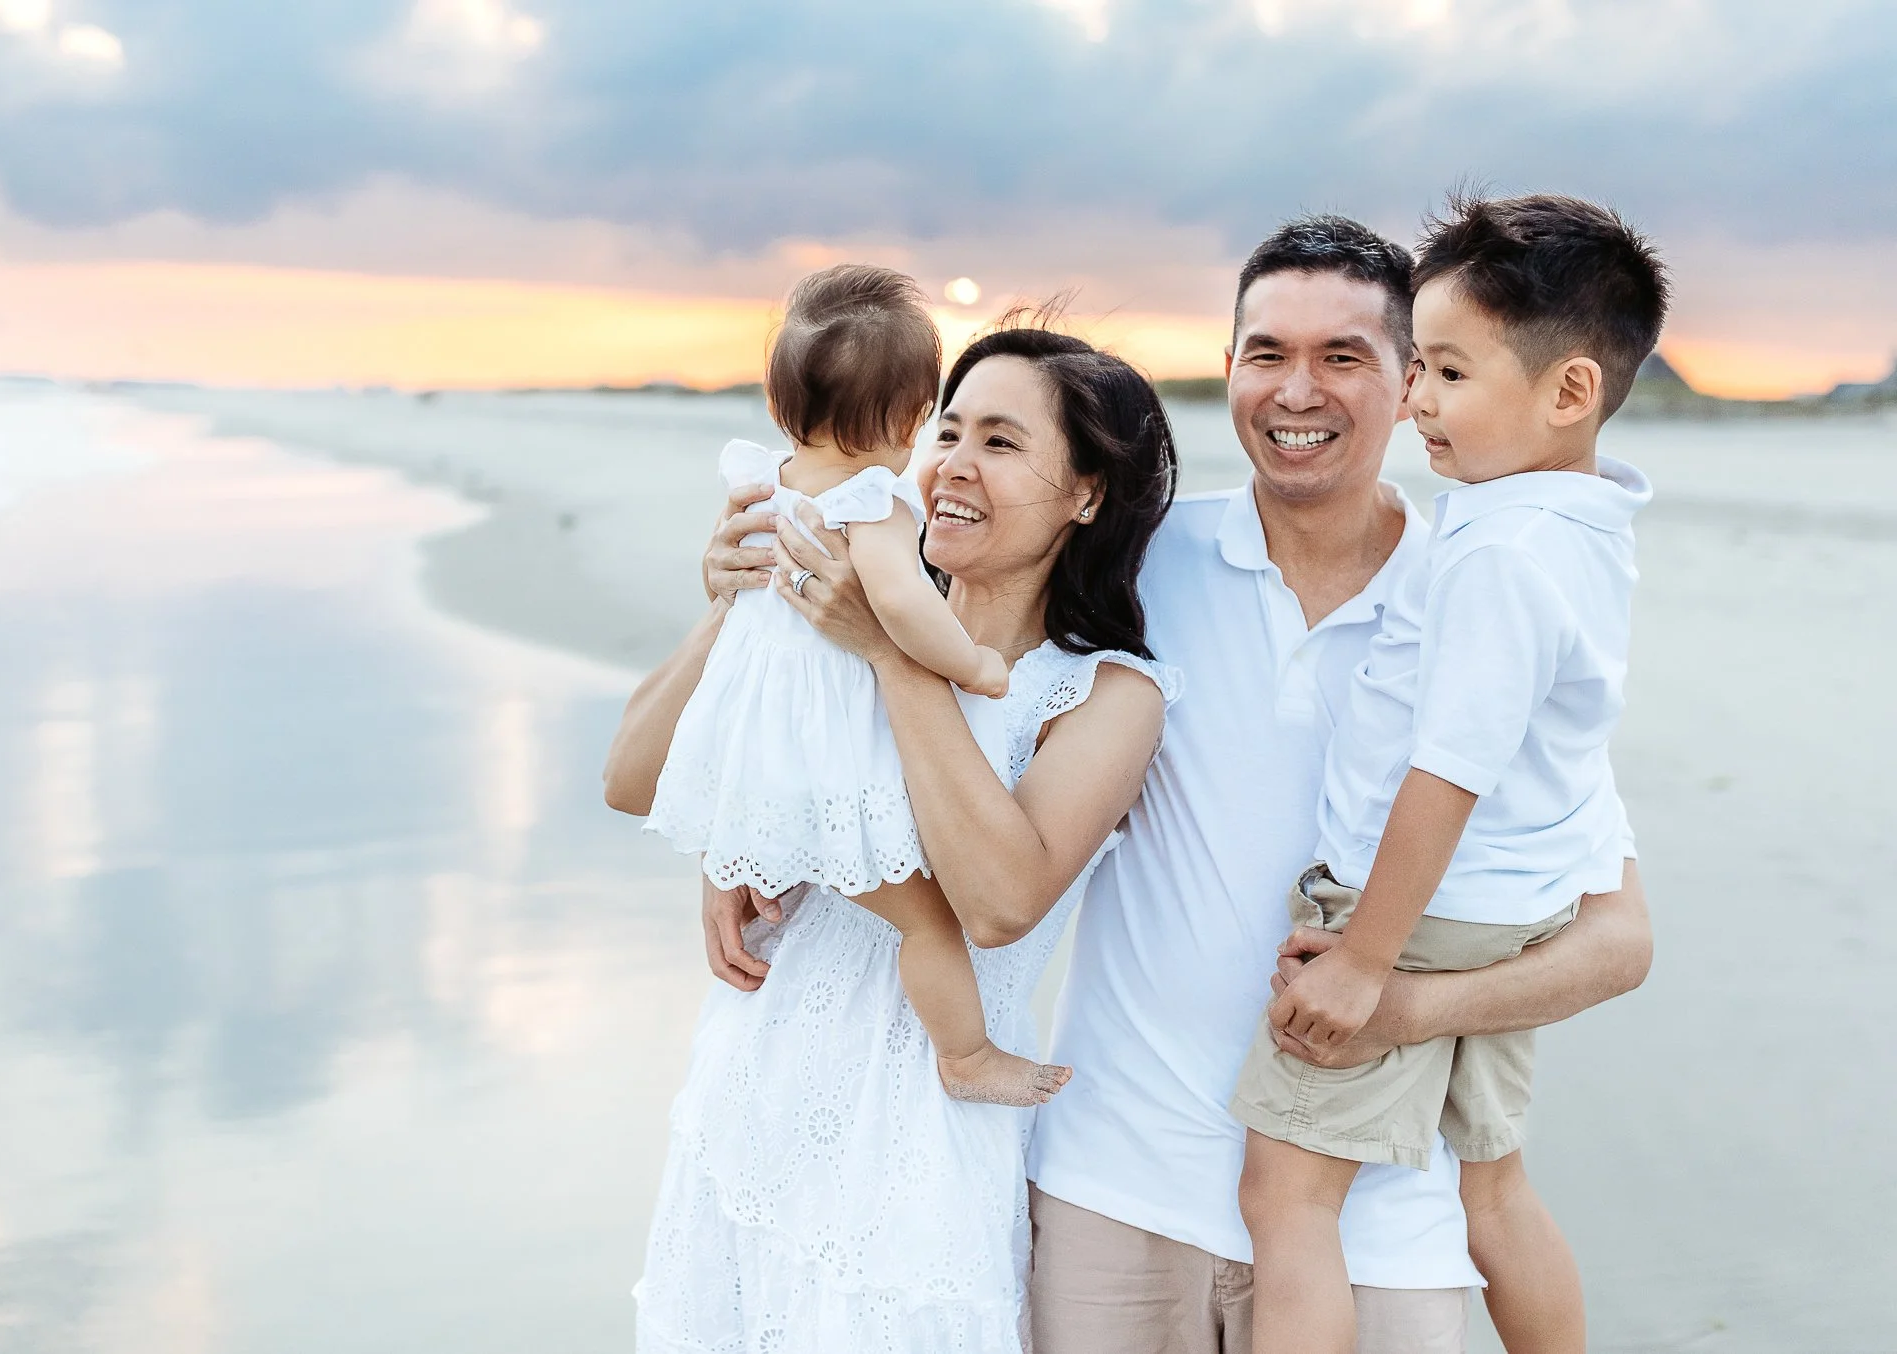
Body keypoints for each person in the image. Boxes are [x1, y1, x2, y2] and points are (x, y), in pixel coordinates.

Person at [1020, 215, 1657, 1354]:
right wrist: (763, 846)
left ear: (1404, 376)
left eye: (1343, 356)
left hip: (1388, 1237)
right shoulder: (1133, 563)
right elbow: (949, 635)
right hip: (1113, 1189)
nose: (1295, 389)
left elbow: (1617, 943)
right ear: (1228, 367)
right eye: (1265, 353)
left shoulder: (1479, 583)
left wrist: (1399, 1000)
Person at [606, 321, 1182, 1352]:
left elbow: (998, 904)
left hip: (914, 1145)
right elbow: (631, 777)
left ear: (1087, 494)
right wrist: (733, 610)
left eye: (1001, 443)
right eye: (947, 430)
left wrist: (888, 655)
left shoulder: (1103, 694)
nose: (954, 462)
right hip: (751, 1101)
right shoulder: (828, 613)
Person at [1231, 195, 1668, 1354]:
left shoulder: (1497, 554)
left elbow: (1446, 770)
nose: (1416, 398)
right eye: (1417, 365)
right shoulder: (1583, 522)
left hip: (1418, 915)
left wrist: (1362, 962)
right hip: (1517, 908)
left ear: (1566, 392)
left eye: (1449, 372)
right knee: (1494, 1188)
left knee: (1286, 1199)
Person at [643, 263, 1068, 1107]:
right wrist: (975, 666)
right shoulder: (872, 502)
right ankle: (966, 1056)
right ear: (912, 418)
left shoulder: (762, 489)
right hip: (828, 777)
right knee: (925, 921)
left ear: (780, 406)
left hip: (754, 764)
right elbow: (904, 606)